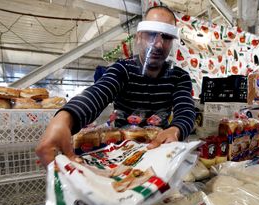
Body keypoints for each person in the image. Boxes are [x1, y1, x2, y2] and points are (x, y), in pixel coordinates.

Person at [36, 6, 196, 166]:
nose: (159, 44)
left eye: (167, 37)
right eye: (151, 34)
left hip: (160, 152)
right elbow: (99, 92)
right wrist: (65, 118)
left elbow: (186, 110)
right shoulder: (123, 69)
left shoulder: (179, 77)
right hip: (121, 154)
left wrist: (175, 130)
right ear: (139, 37)